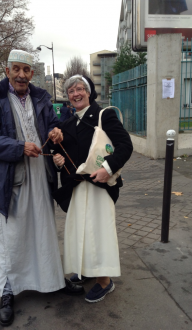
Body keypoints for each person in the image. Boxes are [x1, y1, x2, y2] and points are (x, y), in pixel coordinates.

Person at [0, 50, 84, 327]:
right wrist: (18, 147)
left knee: (44, 230)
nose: (22, 74)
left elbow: (52, 126)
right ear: (8, 70)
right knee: (11, 236)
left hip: (41, 175)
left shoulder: (42, 98)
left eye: (27, 70)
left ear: (32, 73)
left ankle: (52, 280)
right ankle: (8, 291)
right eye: (17, 69)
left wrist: (56, 132)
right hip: (10, 178)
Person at [52, 75, 133, 303]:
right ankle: (86, 269)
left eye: (80, 89)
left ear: (89, 92)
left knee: (98, 233)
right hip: (77, 187)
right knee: (80, 231)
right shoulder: (66, 123)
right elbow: (66, 154)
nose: (75, 94)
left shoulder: (103, 115)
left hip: (99, 186)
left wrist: (108, 168)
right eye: (71, 91)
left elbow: (125, 145)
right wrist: (58, 159)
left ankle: (105, 281)